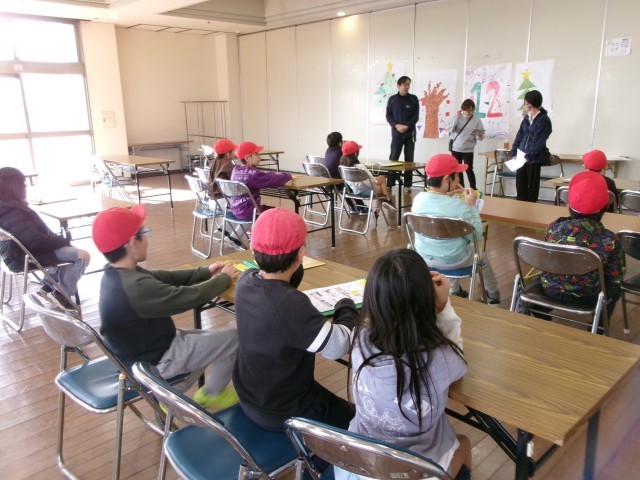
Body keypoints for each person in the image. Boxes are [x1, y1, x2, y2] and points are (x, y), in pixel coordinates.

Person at [334, 249, 471, 480]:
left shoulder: (359, 339)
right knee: (464, 443)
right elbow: (457, 358)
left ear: (372, 300)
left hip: (360, 465)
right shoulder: (440, 358)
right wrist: (444, 307)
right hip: (416, 471)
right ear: (426, 301)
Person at [92, 204, 240, 409]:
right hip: (157, 363)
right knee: (236, 338)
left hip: (150, 349)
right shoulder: (136, 287)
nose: (147, 238)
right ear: (133, 243)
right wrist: (222, 279)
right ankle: (191, 395)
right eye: (144, 233)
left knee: (215, 339)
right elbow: (189, 297)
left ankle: (171, 399)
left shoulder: (117, 273)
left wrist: (204, 272)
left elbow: (163, 277)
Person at [232, 207, 358, 431]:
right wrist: (346, 307)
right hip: (285, 411)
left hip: (251, 398)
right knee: (359, 421)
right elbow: (338, 347)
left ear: (252, 249)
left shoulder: (245, 282)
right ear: (302, 254)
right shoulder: (290, 304)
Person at [411, 154, 500, 304]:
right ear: (447, 178)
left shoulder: (418, 199)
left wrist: (447, 194)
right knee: (479, 255)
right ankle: (493, 294)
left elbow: (438, 205)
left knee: (447, 244)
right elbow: (477, 235)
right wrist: (472, 206)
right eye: (458, 175)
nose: (459, 179)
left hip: (423, 258)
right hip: (454, 260)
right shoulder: (459, 207)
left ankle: (455, 290)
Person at [0, 167, 90, 311]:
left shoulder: (5, 208)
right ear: (14, 187)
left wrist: (58, 240)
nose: (25, 186)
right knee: (82, 255)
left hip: (13, 256)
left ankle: (48, 286)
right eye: (23, 183)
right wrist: (62, 240)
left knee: (69, 252)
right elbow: (36, 242)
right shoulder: (14, 212)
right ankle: (62, 294)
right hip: (25, 257)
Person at [541, 171, 621, 320]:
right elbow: (614, 276)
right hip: (589, 296)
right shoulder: (609, 239)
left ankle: (541, 315)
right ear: (606, 208)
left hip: (550, 289)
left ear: (568, 206)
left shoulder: (552, 229)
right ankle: (598, 327)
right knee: (616, 288)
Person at [229, 141, 292, 220]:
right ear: (247, 158)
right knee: (281, 213)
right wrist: (288, 176)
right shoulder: (253, 174)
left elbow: (263, 177)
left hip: (236, 210)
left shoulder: (235, 170)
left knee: (271, 210)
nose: (260, 157)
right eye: (256, 154)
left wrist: (267, 174)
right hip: (251, 212)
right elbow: (273, 180)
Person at [509, 89, 552, 203]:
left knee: (532, 189)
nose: (525, 105)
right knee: (520, 186)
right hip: (521, 157)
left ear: (531, 104)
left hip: (533, 159)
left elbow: (538, 141)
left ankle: (530, 210)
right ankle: (520, 209)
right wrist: (514, 151)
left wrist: (528, 156)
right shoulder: (527, 118)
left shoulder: (543, 120)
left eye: (526, 102)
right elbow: (519, 135)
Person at [339, 141, 397, 218]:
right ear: (356, 153)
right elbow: (371, 183)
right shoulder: (360, 167)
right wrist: (375, 179)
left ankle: (382, 205)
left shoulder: (342, 167)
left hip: (353, 191)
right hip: (366, 192)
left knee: (381, 180)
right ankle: (386, 200)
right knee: (382, 184)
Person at [386, 75, 420, 190]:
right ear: (399, 85)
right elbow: (388, 116)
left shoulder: (413, 98)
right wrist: (396, 125)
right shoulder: (392, 99)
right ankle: (390, 184)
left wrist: (407, 126)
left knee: (409, 160)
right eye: (405, 84)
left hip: (410, 134)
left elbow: (416, 116)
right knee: (393, 158)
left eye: (408, 85)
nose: (407, 87)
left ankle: (407, 185)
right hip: (396, 134)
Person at [449, 99, 485, 190]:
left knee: (469, 169)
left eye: (472, 110)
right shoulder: (458, 117)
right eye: (468, 110)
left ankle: (473, 188)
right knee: (458, 170)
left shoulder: (477, 120)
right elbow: (449, 129)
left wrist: (479, 135)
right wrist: (457, 118)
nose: (470, 112)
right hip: (456, 148)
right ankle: (461, 189)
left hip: (468, 149)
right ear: (463, 110)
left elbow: (480, 137)